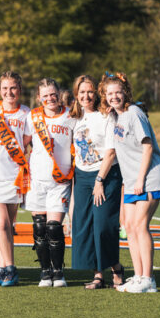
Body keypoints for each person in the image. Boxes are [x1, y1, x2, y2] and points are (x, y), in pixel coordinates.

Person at [102, 73, 160, 293]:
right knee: (129, 227)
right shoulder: (117, 117)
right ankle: (139, 276)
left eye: (118, 92)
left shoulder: (134, 113)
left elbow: (147, 146)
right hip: (132, 181)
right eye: (109, 93)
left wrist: (140, 179)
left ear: (125, 93)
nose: (114, 97)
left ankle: (149, 279)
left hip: (148, 178)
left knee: (140, 226)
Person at [69, 75, 124, 289]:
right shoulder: (74, 118)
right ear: (76, 95)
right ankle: (98, 275)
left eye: (90, 91)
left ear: (97, 93)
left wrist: (100, 180)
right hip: (82, 176)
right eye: (82, 92)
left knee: (103, 225)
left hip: (106, 174)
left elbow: (111, 152)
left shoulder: (106, 116)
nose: (86, 96)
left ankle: (116, 267)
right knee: (85, 226)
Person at [0, 71, 32, 287]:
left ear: (19, 90)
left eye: (13, 88)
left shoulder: (27, 113)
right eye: (4, 88)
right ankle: (11, 269)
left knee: (8, 225)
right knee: (0, 223)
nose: (9, 92)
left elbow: (27, 142)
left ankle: (2, 268)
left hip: (15, 177)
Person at [26, 78, 76, 287]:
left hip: (60, 181)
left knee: (54, 228)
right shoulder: (33, 116)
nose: (49, 98)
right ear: (39, 98)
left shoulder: (70, 116)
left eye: (53, 94)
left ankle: (58, 272)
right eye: (45, 95)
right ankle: (45, 272)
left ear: (59, 93)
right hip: (37, 180)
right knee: (39, 229)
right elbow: (24, 142)